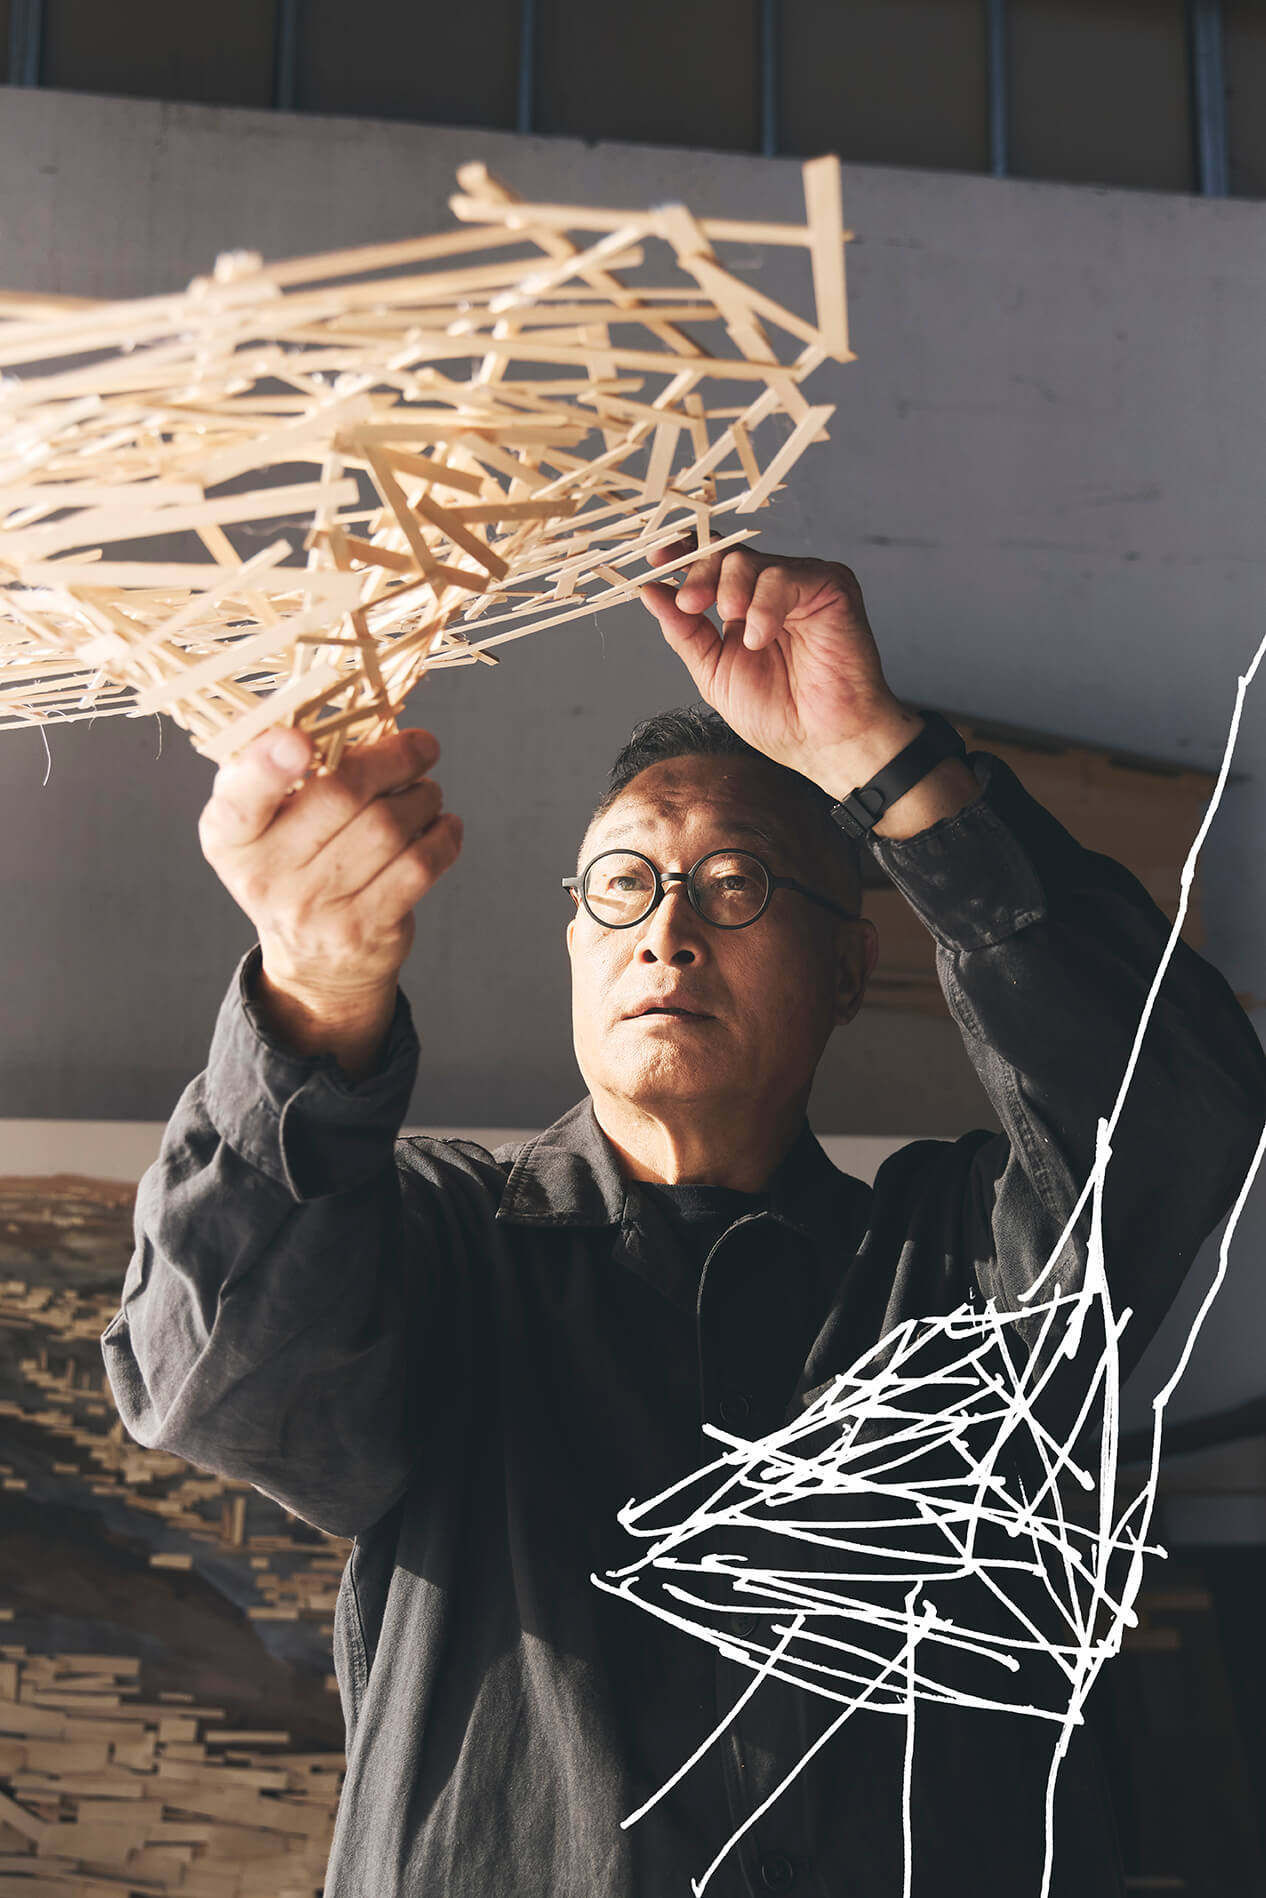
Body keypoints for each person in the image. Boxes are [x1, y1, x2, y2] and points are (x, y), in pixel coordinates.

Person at [102, 546, 1266, 1898]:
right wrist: (311, 991)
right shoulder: (436, 1254)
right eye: (622, 887)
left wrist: (879, 758)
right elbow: (211, 1386)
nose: (666, 933)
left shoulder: (956, 1268)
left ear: (847, 967)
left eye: (733, 885)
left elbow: (1173, 1108)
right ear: (575, 950)